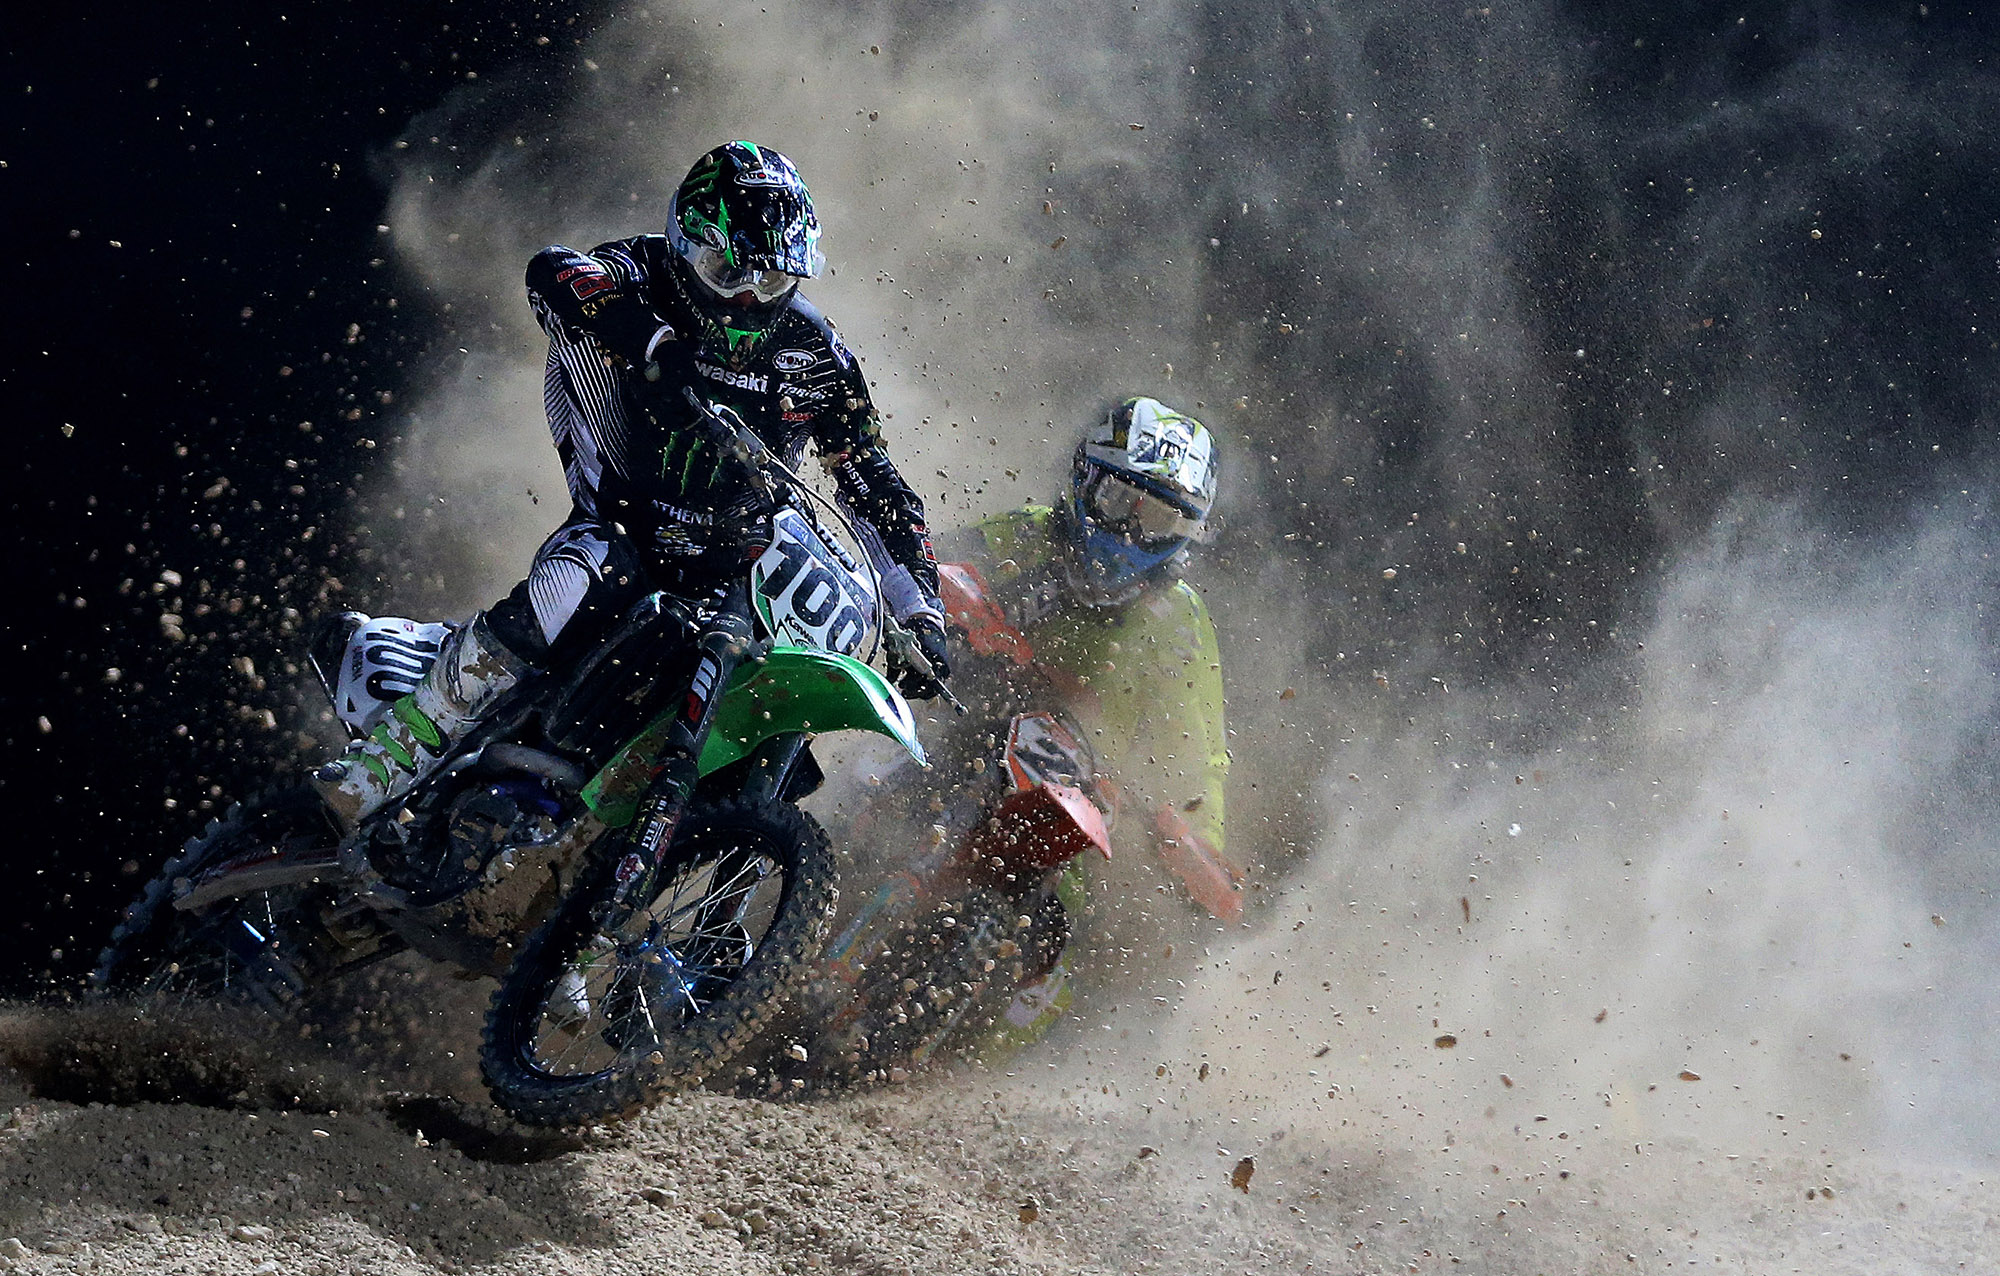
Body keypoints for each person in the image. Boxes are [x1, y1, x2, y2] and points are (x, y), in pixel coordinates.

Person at [312, 140, 952, 827]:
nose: (746, 297)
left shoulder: (818, 354)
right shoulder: (638, 273)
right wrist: (653, 347)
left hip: (737, 573)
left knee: (780, 692)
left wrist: (922, 614)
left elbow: (875, 481)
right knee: (581, 577)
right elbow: (552, 272)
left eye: (769, 281)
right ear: (686, 245)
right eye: (727, 272)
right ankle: (385, 760)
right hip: (623, 529)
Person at [919, 395, 1239, 1056]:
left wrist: (1194, 837)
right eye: (1121, 501)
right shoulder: (1027, 534)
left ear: (1187, 535)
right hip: (967, 723)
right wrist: (960, 603)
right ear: (1083, 481)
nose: (1131, 534)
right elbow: (927, 565)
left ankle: (965, 1066)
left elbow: (1198, 752)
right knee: (872, 771)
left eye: (1161, 520)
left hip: (1079, 784)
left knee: (1066, 926)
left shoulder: (1179, 621)